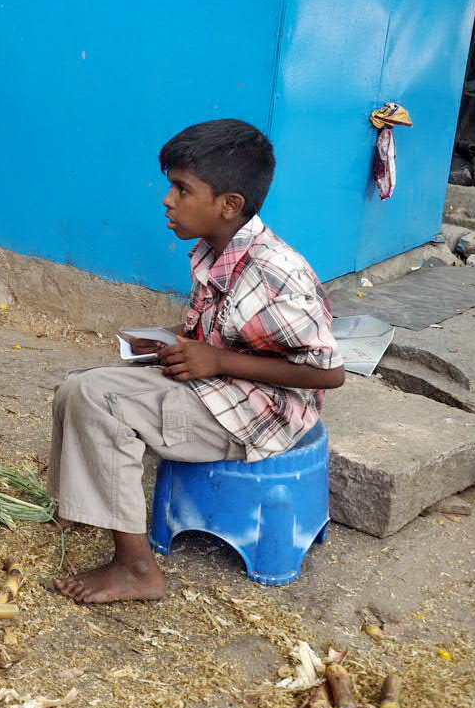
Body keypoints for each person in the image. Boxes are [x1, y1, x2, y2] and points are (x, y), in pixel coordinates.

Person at [50, 119, 344, 604]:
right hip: (227, 388)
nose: (168, 200)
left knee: (97, 398)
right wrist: (173, 341)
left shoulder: (274, 273)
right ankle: (86, 506)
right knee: (77, 384)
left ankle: (137, 569)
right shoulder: (216, 250)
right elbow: (226, 331)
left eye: (182, 189)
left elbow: (329, 373)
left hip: (259, 415)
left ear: (229, 204)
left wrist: (218, 361)